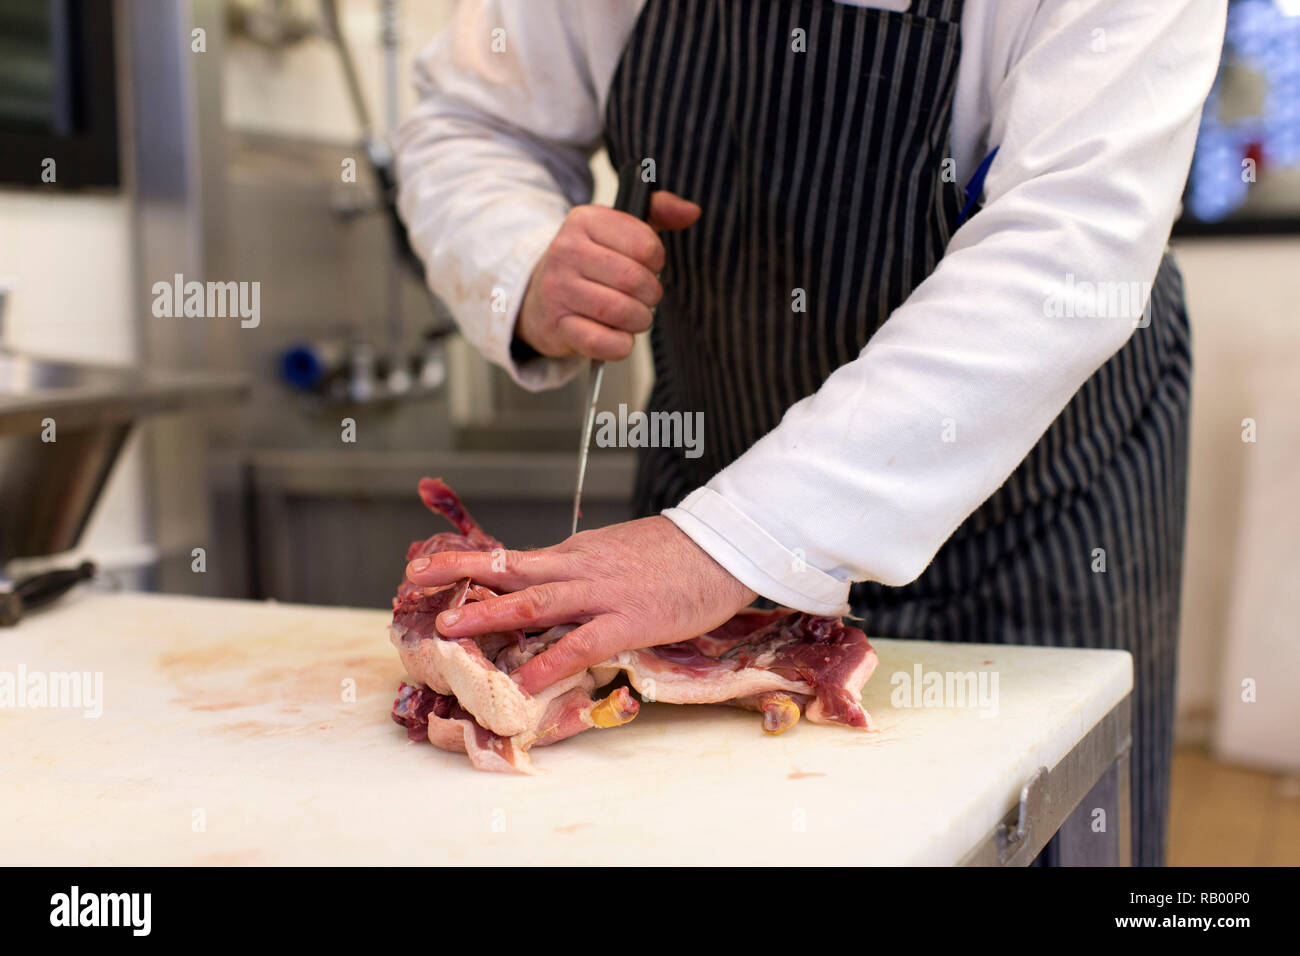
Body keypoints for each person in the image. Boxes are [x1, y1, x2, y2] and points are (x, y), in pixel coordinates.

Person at [393, 0, 1226, 865]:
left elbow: (1071, 245)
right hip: (709, 472)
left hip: (1041, 512)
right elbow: (472, 120)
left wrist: (728, 543)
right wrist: (520, 259)